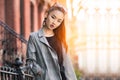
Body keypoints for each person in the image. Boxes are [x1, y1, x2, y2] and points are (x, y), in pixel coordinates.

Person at [26, 2, 77, 80]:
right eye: (53, 17)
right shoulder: (34, 37)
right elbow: (30, 62)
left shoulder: (61, 39)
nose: (54, 22)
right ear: (46, 14)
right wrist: (42, 73)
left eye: (59, 21)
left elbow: (67, 65)